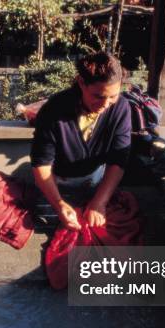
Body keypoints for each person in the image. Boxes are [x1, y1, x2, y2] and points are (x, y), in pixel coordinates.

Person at [30, 51, 131, 230]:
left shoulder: (121, 108)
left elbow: (118, 161)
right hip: (56, 183)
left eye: (113, 96)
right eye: (98, 96)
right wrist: (59, 204)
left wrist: (99, 202)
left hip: (97, 182)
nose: (105, 104)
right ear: (81, 82)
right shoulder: (54, 109)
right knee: (46, 223)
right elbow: (41, 164)